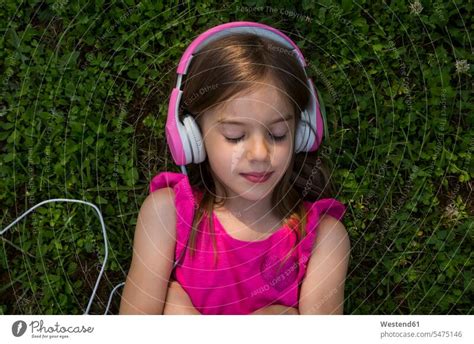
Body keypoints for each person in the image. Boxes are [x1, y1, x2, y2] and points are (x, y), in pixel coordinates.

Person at [119, 21, 350, 315]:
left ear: (302, 133)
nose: (258, 153)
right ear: (191, 136)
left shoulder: (324, 239)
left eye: (278, 134)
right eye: (234, 136)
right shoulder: (167, 215)